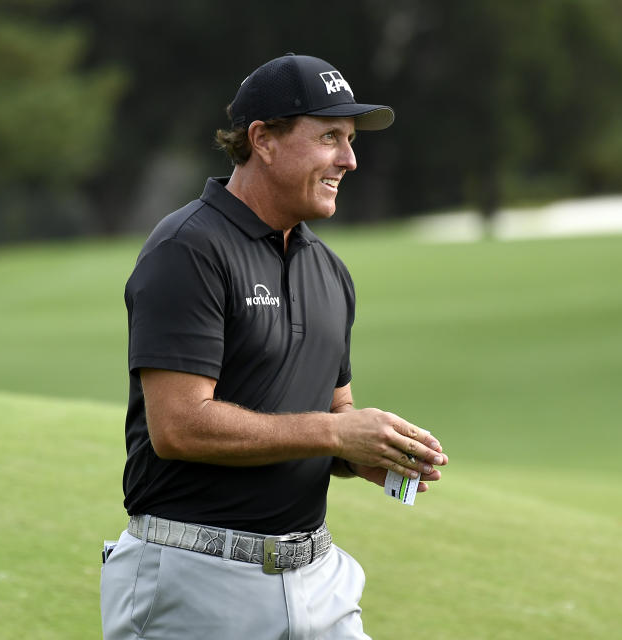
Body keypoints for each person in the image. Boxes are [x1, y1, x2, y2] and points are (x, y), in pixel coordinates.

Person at [100, 53, 448, 640]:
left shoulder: (329, 271)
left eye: (351, 139)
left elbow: (332, 410)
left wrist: (367, 452)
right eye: (330, 137)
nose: (350, 158)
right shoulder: (188, 249)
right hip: (195, 582)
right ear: (263, 140)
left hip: (319, 578)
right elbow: (179, 426)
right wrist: (336, 434)